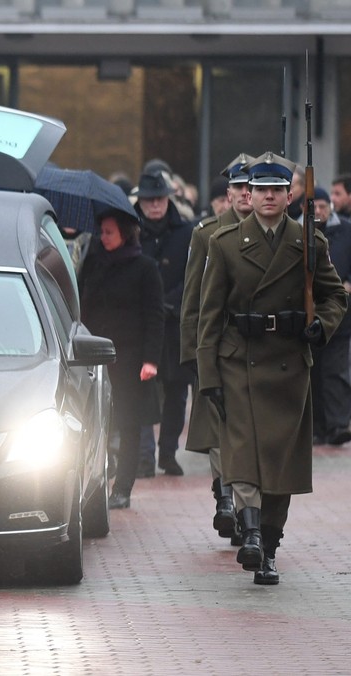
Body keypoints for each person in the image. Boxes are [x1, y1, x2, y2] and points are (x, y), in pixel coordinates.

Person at [197, 152, 348, 585]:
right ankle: (249, 535)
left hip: (288, 363)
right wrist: (208, 376)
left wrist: (322, 326)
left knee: (280, 466)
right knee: (243, 455)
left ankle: (269, 546)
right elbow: (209, 316)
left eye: (276, 191)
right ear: (251, 192)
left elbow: (335, 297)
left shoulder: (309, 244)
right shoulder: (223, 244)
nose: (266, 197)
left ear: (289, 195)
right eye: (260, 189)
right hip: (238, 360)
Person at [180, 153, 254, 544]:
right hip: (215, 346)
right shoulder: (206, 234)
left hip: (254, 350)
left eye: (251, 187)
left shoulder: (273, 233)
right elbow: (193, 299)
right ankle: (225, 498)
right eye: (239, 188)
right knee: (218, 429)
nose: (245, 194)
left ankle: (244, 510)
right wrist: (192, 353)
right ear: (228, 194)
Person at [79, 211, 164, 510]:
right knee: (96, 421)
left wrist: (151, 359)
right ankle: (99, 476)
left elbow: (155, 315)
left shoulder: (144, 268)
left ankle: (123, 487)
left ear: (125, 234)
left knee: (128, 425)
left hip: (129, 359)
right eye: (101, 231)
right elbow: (81, 304)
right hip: (94, 357)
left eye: (109, 233)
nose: (103, 238)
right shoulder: (93, 263)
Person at [132, 171, 192, 477]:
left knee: (176, 389)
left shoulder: (185, 231)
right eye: (148, 200)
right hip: (143, 323)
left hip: (176, 322)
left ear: (168, 198)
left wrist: (172, 302)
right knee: (142, 388)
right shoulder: (132, 230)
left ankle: (168, 452)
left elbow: (193, 275)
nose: (155, 205)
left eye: (159, 198)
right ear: (140, 201)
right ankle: (144, 456)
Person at [311, 186, 351, 447]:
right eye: (314, 207)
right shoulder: (298, 232)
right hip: (310, 314)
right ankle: (317, 426)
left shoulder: (346, 231)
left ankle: (337, 424)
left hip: (341, 314)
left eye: (323, 206)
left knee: (335, 372)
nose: (319, 212)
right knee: (313, 372)